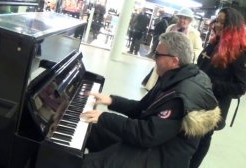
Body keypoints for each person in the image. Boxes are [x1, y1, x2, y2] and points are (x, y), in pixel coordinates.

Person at [81, 32, 221, 168]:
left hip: (161, 158)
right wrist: (112, 101)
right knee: (93, 129)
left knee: (84, 164)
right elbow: (142, 108)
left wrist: (104, 117)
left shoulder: (180, 97)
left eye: (158, 55)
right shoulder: (174, 77)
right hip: (154, 145)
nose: (154, 58)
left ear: (174, 61)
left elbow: (146, 135)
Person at [190, 7, 246, 167]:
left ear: (232, 26)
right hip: (196, 100)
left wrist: (211, 85)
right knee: (189, 138)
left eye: (222, 22)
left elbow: (240, 87)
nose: (217, 25)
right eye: (217, 21)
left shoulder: (241, 53)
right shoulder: (214, 43)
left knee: (202, 139)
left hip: (213, 107)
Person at [142, 7, 202, 90]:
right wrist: (157, 54)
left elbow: (198, 50)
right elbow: (163, 41)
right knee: (159, 78)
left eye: (185, 18)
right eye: (180, 17)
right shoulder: (171, 28)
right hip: (165, 58)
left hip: (179, 63)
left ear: (190, 20)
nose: (182, 20)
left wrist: (187, 56)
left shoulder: (194, 33)